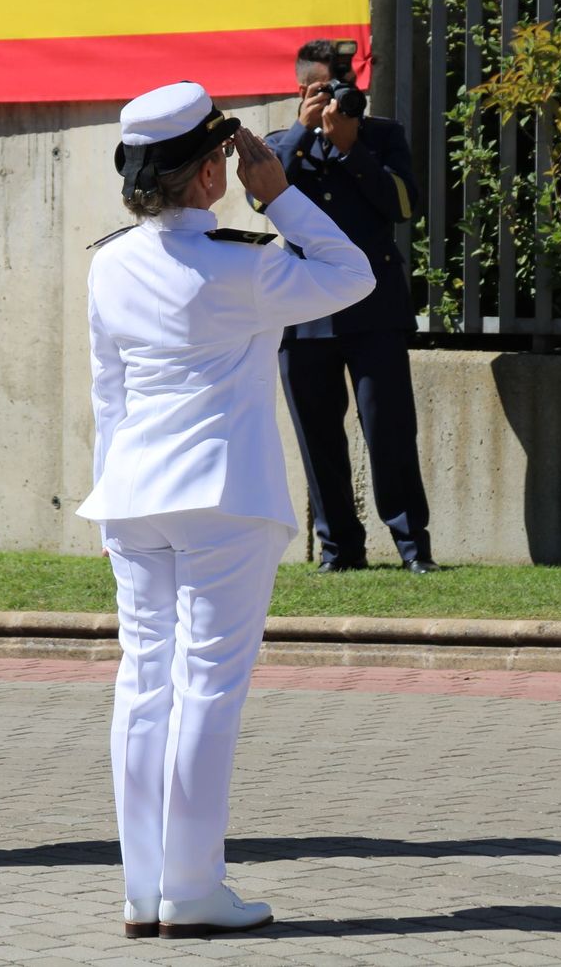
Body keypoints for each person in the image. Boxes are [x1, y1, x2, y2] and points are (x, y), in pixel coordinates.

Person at [78, 82, 375, 937]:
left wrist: (109, 497)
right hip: (221, 497)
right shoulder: (246, 264)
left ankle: (145, 890)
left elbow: (108, 395)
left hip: (132, 496)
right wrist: (279, 193)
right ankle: (192, 888)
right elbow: (353, 274)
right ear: (213, 173)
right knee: (205, 689)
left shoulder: (109, 262)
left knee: (143, 686)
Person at [262, 40, 436, 574]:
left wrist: (352, 148)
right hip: (304, 312)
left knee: (389, 429)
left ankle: (413, 547)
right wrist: (302, 134)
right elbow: (261, 198)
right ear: (301, 90)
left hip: (375, 307)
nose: (338, 96)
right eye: (324, 87)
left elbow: (403, 205)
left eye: (345, 85)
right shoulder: (279, 146)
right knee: (317, 436)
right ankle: (339, 549)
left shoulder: (382, 136)